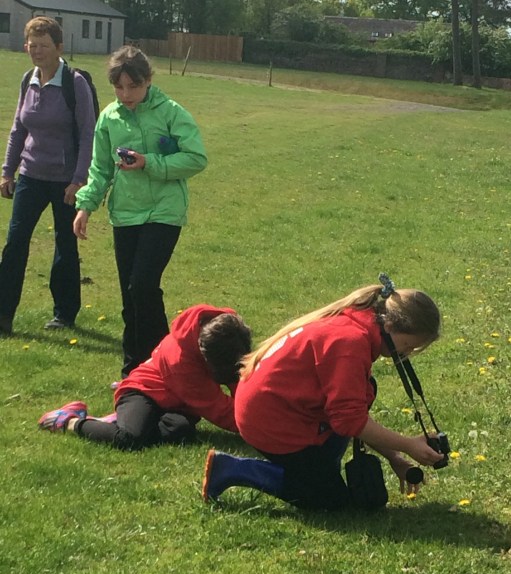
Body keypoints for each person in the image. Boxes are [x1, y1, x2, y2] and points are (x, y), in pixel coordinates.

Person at [202, 275, 445, 511]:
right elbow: (349, 420)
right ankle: (232, 469)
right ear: (390, 326)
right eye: (408, 345)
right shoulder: (350, 342)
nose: (405, 354)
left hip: (281, 408)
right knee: (329, 500)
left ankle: (319, 468)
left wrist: (395, 457)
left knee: (365, 388)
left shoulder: (357, 323)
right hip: (269, 421)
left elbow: (350, 412)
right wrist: (408, 445)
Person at [73, 46, 207, 378]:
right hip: (126, 213)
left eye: (133, 86)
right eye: (119, 87)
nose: (126, 94)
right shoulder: (109, 117)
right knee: (129, 295)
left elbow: (196, 158)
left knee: (143, 286)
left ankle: (164, 366)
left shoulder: (171, 112)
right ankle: (133, 371)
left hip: (164, 211)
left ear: (148, 80)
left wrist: (150, 162)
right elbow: (100, 168)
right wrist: (86, 206)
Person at [37, 304, 251, 450]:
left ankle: (118, 422)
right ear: (204, 356)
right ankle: (70, 421)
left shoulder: (227, 330)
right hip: (143, 391)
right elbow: (219, 410)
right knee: (130, 439)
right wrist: (257, 428)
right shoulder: (180, 361)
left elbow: (241, 378)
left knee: (181, 431)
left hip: (179, 403)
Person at [0, 17, 96, 335]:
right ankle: (3, 315)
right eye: (32, 45)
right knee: (15, 243)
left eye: (43, 45)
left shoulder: (75, 83)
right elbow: (18, 128)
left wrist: (78, 180)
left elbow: (88, 133)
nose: (37, 51)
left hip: (66, 181)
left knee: (65, 244)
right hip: (30, 175)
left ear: (59, 47)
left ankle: (64, 314)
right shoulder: (27, 80)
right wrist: (7, 172)